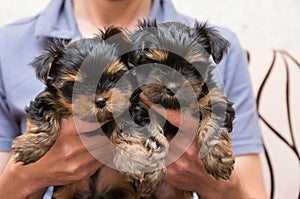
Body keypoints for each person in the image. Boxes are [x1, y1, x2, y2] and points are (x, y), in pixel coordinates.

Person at [0, 0, 268, 198]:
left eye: (192, 68)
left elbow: (250, 190)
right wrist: (28, 174)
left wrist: (213, 178)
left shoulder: (222, 49)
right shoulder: (7, 44)